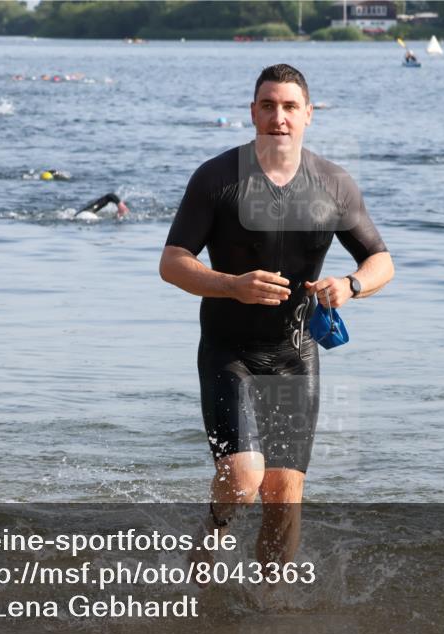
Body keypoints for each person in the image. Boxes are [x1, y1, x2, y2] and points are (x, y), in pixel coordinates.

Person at [159, 64, 393, 572]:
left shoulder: (333, 184)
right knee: (244, 480)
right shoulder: (217, 178)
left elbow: (381, 261)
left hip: (294, 355)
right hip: (229, 351)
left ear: (308, 114)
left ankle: (271, 600)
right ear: (253, 113)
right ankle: (213, 533)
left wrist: (350, 285)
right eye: (268, 106)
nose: (278, 117)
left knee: (284, 495)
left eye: (289, 107)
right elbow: (172, 262)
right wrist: (232, 285)